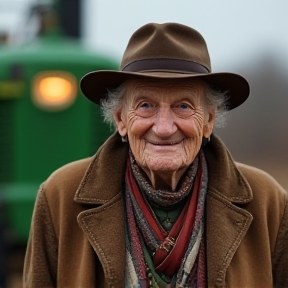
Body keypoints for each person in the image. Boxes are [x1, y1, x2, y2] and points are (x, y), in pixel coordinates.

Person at [23, 22, 288, 288]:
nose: (163, 128)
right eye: (145, 105)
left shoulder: (268, 202)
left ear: (208, 120)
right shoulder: (60, 196)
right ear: (121, 119)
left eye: (183, 106)